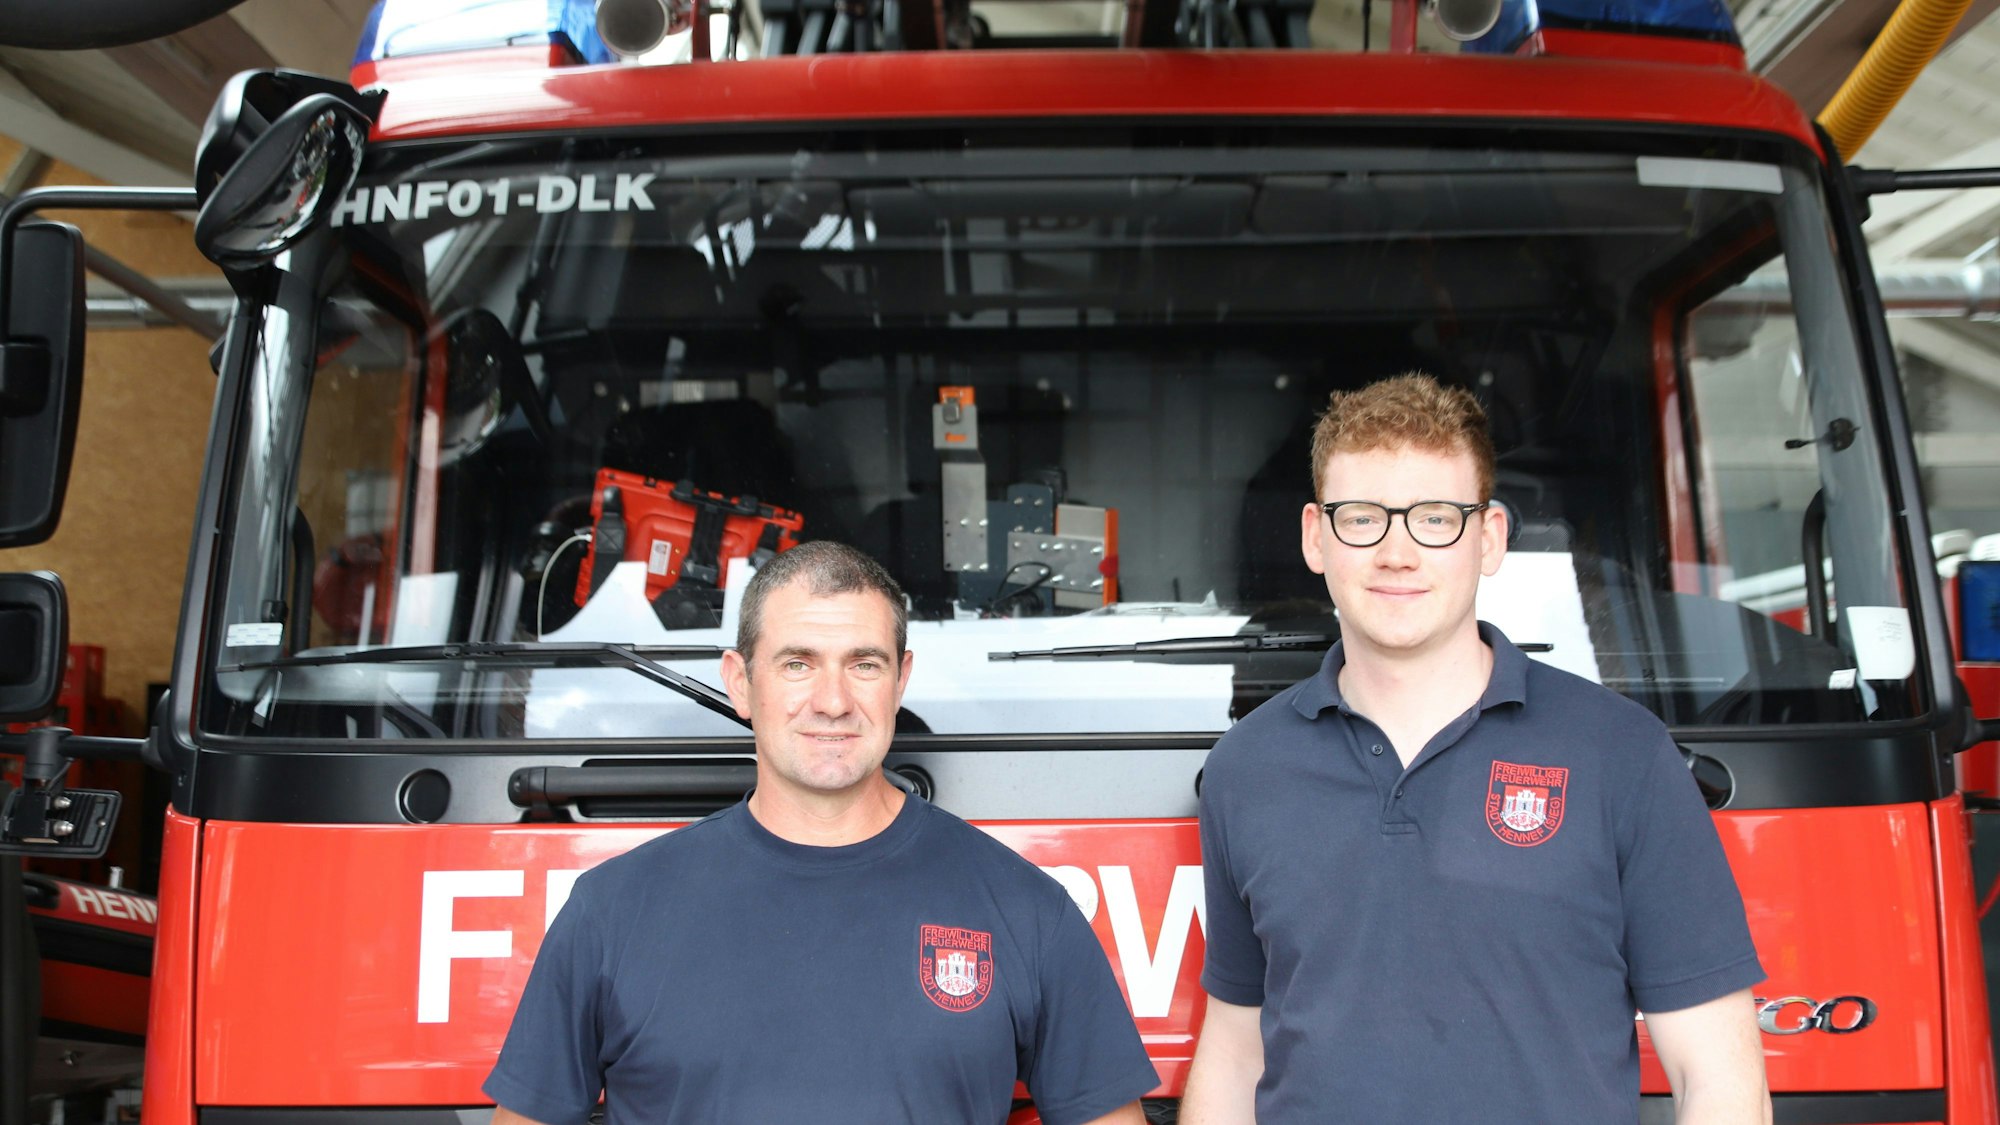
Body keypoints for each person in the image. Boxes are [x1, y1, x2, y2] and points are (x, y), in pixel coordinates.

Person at [1180, 374, 1770, 1123]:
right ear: (1315, 536)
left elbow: (1720, 1080)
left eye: (1434, 518)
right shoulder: (1245, 771)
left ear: (1488, 538)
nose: (1397, 553)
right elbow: (1237, 1051)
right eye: (1362, 518)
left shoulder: (1623, 757)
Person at [484, 540, 1157, 1125]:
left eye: (863, 663)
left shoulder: (1025, 910)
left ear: (900, 681)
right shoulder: (610, 913)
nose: (833, 700)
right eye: (797, 663)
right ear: (741, 683)